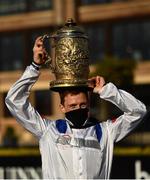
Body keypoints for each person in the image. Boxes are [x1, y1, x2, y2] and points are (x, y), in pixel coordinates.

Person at [5, 37, 147, 179]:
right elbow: (14, 100)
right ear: (62, 107)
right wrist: (35, 67)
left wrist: (106, 90)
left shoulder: (105, 132)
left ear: (89, 105)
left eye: (82, 105)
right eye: (72, 106)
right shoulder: (48, 130)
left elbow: (138, 111)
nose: (78, 109)